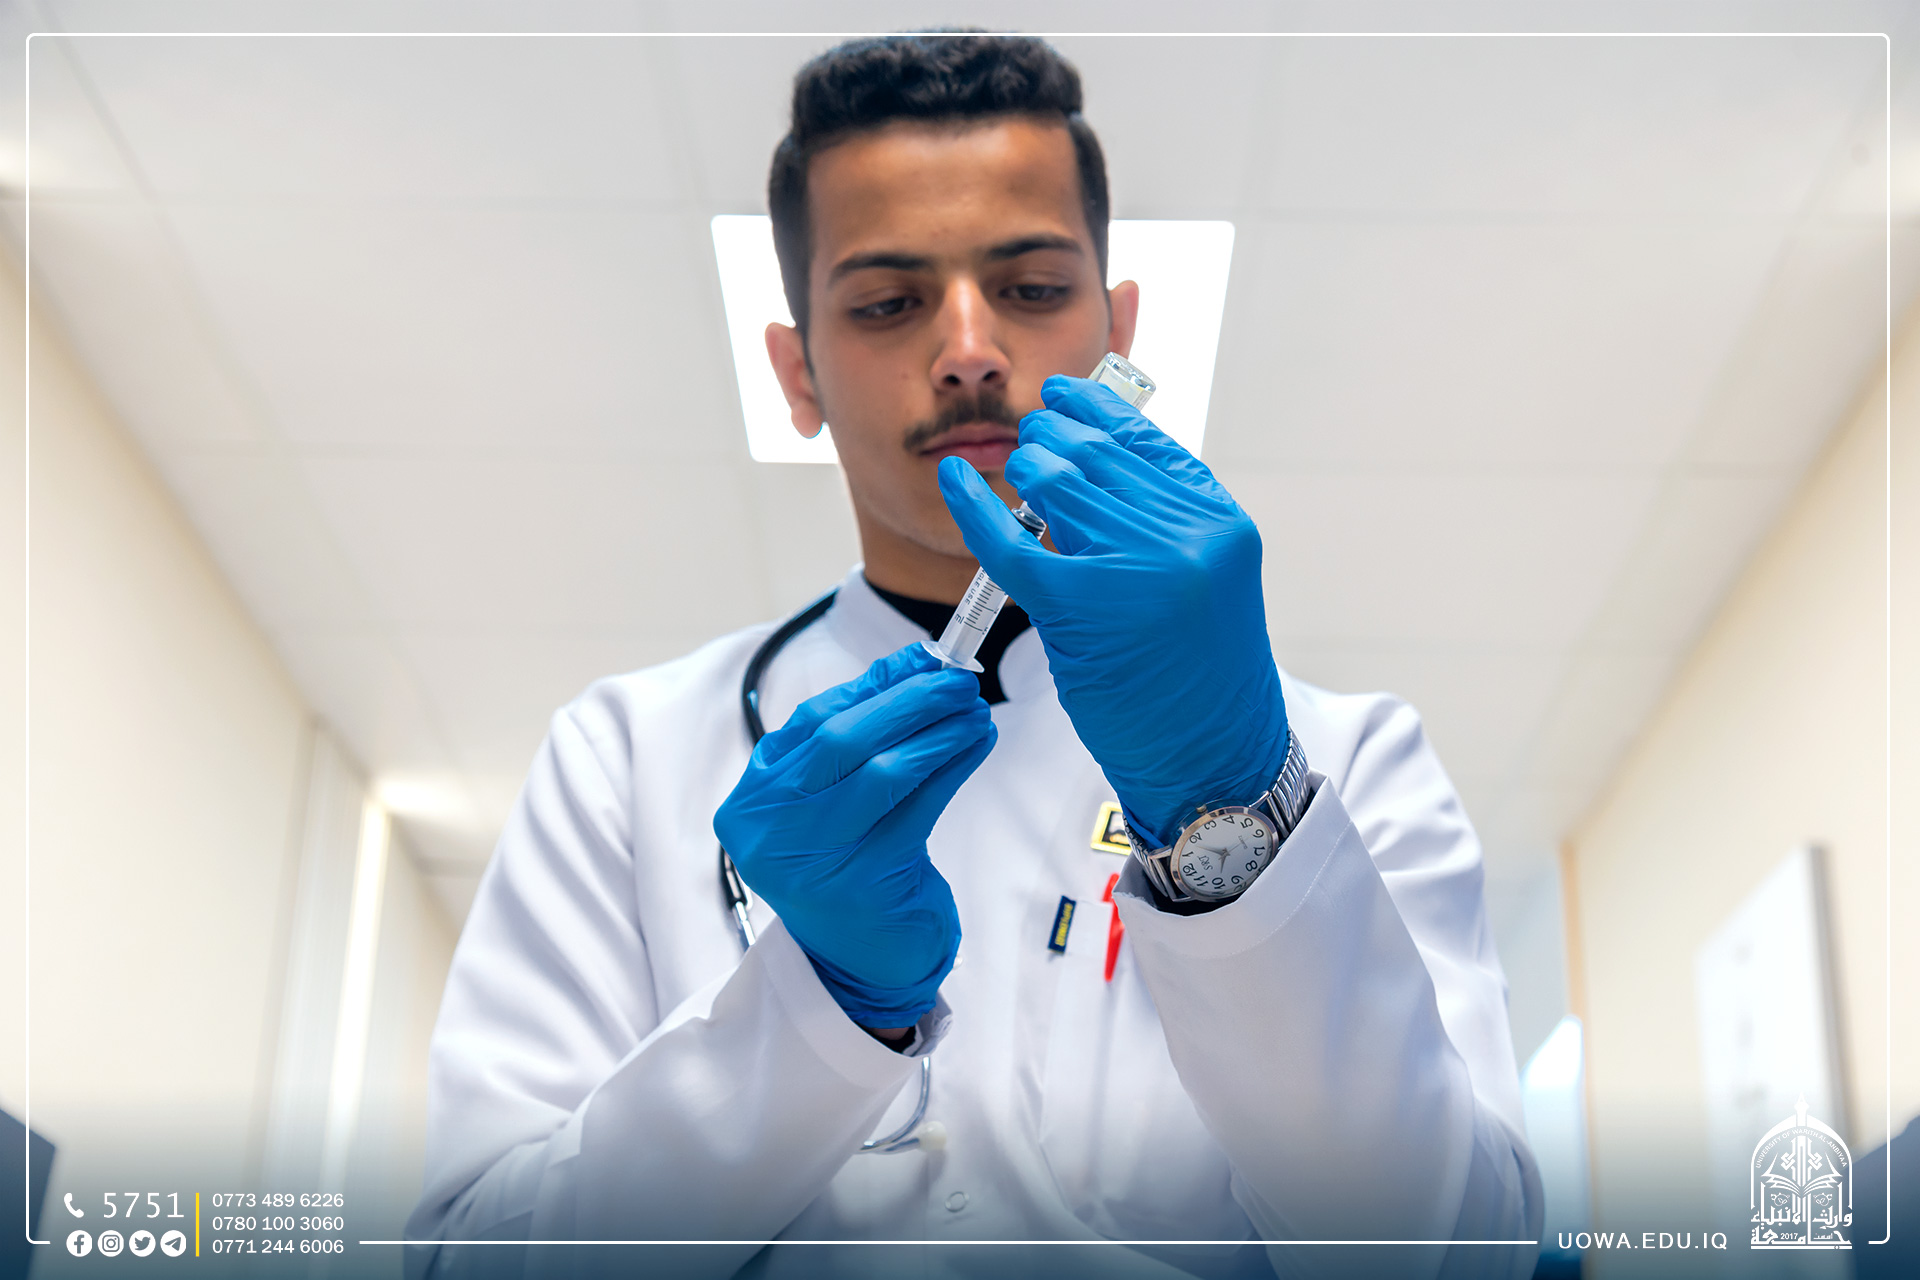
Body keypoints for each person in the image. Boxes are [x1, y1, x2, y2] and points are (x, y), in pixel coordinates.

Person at [405, 32, 1542, 1280]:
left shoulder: (1338, 757)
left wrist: (1237, 821)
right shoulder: (628, 756)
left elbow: (1462, 1254)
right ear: (797, 372)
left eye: (1033, 287)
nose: (968, 348)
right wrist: (812, 1009)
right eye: (887, 303)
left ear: (1119, 333)